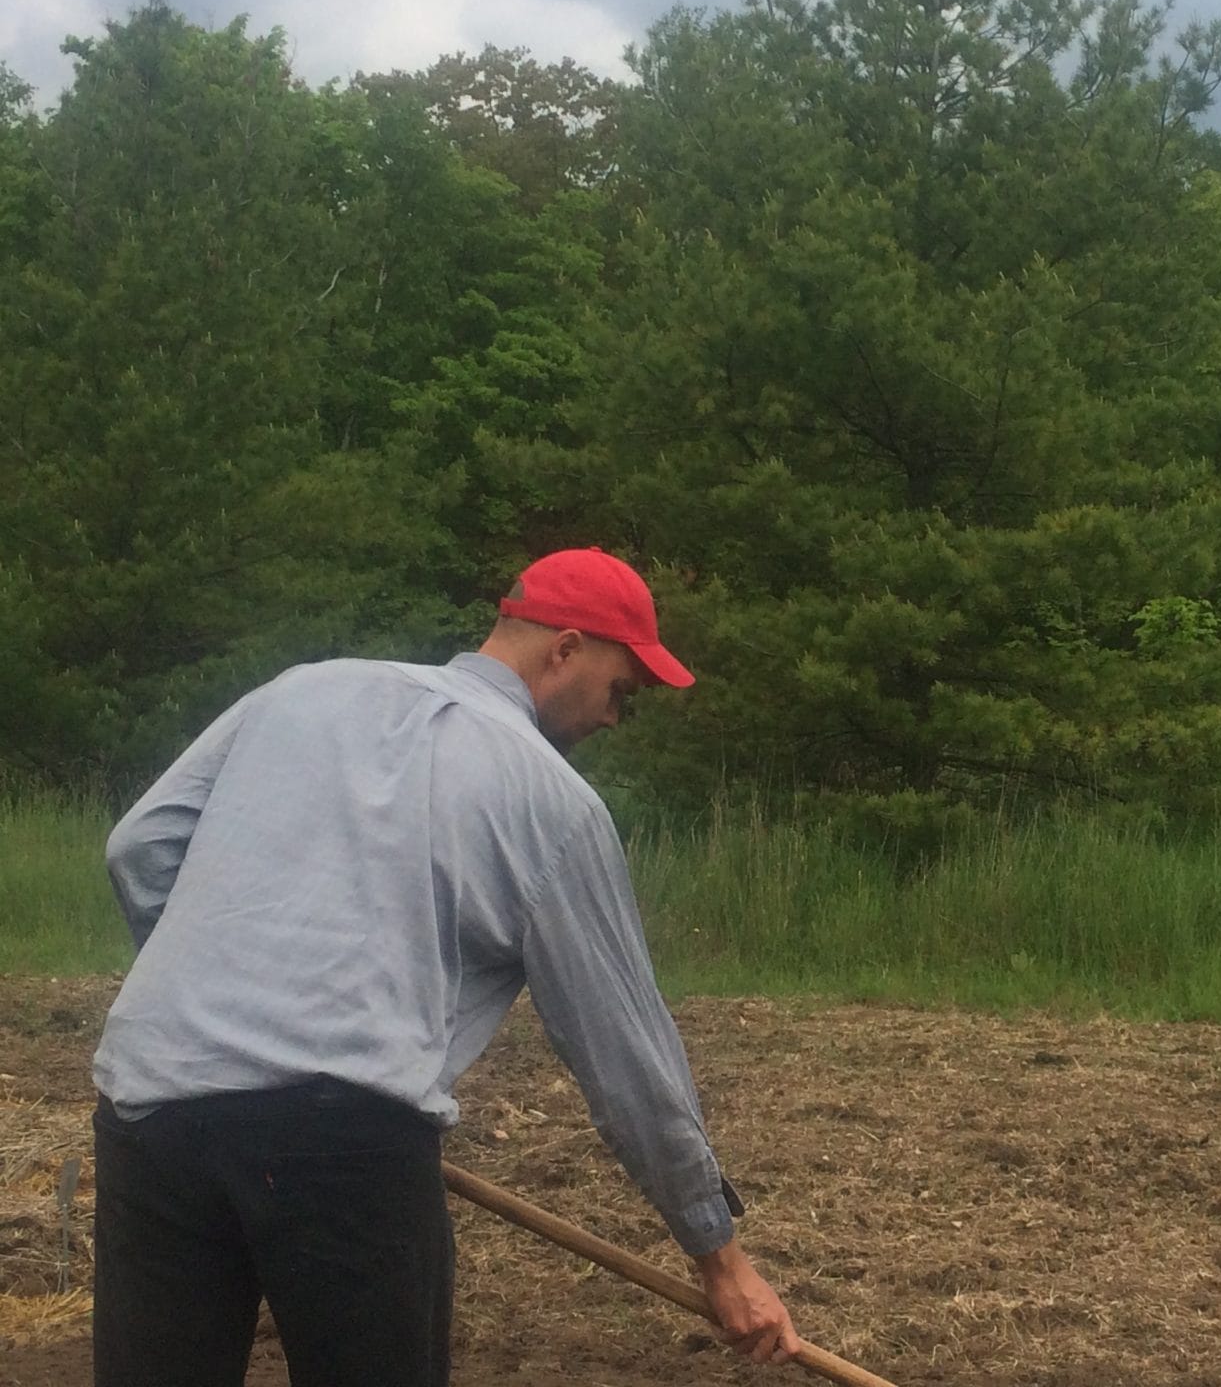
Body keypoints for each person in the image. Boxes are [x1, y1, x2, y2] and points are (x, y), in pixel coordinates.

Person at [90, 546, 799, 1386]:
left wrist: (219, 1002)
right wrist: (719, 1257)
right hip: (343, 1142)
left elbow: (140, 847)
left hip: (150, 1106)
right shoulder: (551, 801)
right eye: (622, 692)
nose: (616, 718)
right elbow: (626, 1051)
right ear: (564, 650)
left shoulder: (302, 690)